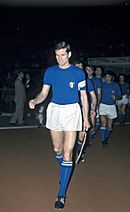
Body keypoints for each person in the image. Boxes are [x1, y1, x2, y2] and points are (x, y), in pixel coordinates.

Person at [29, 41, 90, 209]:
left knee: (67, 152)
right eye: (57, 55)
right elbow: (43, 93)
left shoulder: (78, 73)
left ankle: (61, 194)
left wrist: (86, 118)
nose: (60, 58)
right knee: (57, 149)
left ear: (69, 54)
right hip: (55, 110)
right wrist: (35, 100)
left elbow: (84, 97)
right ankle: (65, 170)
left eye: (63, 55)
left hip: (72, 111)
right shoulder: (50, 72)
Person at [99, 71, 121, 148]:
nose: (107, 78)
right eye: (106, 76)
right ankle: (103, 141)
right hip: (103, 105)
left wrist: (116, 97)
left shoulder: (115, 85)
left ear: (112, 77)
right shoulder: (102, 85)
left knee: (109, 125)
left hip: (111, 106)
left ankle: (106, 138)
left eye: (109, 76)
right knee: (103, 123)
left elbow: (119, 96)